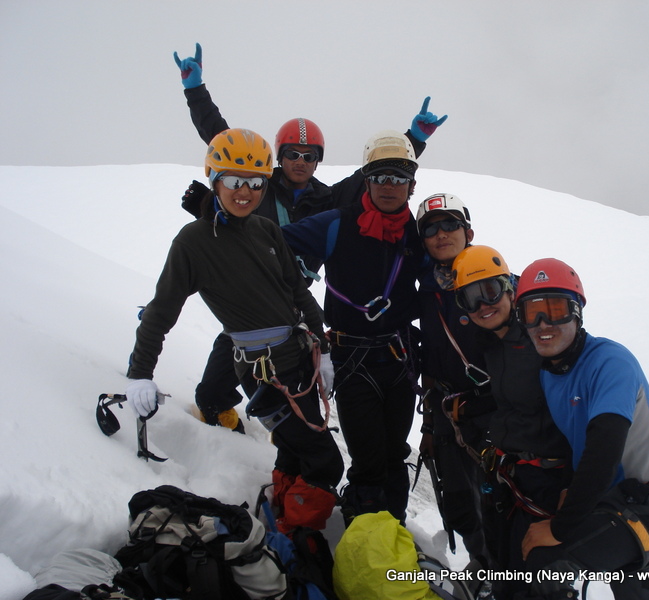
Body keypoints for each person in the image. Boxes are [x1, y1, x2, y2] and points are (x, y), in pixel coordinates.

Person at [172, 43, 446, 433]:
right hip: (250, 284)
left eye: (310, 155)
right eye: (293, 154)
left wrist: (414, 138)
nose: (301, 161)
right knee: (235, 343)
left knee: (295, 358)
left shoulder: (326, 199)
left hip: (294, 296)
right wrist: (195, 90)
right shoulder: (258, 186)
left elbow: (374, 176)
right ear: (279, 157)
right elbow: (221, 139)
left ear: (318, 160)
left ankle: (292, 422)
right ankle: (213, 404)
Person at [125, 128, 343, 535]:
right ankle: (299, 536)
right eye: (234, 181)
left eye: (256, 182)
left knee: (295, 451)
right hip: (262, 371)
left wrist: (324, 347)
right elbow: (161, 312)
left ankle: (284, 522)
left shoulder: (264, 229)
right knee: (327, 461)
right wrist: (140, 373)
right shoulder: (193, 242)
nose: (246, 192)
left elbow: (298, 291)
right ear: (215, 180)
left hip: (298, 358)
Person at [515, 258, 649, 600]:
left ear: (578, 313)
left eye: (556, 309)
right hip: (613, 501)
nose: (542, 323)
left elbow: (603, 452)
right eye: (531, 312)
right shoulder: (551, 371)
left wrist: (561, 526)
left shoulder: (609, 361)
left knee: (546, 561)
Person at [280, 130, 428, 525]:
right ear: (367, 180)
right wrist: (217, 209)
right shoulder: (336, 225)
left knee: (395, 452)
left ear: (412, 186)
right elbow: (273, 243)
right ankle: (364, 538)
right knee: (367, 458)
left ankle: (390, 531)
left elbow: (443, 278)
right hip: (352, 359)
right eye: (380, 176)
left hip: (397, 358)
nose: (389, 186)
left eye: (399, 178)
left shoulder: (416, 235)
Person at [450, 245, 574, 599]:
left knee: (540, 585)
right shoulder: (490, 343)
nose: (483, 305)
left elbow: (591, 378)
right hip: (508, 477)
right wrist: (471, 403)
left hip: (546, 483)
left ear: (509, 287)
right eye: (470, 299)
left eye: (490, 291)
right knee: (504, 573)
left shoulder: (539, 332)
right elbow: (516, 396)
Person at [414, 195, 498, 567]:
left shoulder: (497, 282)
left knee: (501, 502)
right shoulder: (427, 291)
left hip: (495, 413)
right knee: (462, 503)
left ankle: (508, 578)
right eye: (431, 228)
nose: (441, 234)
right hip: (449, 414)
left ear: (469, 232)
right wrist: (429, 424)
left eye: (450, 225)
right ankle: (483, 567)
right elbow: (431, 357)